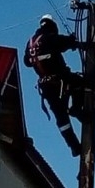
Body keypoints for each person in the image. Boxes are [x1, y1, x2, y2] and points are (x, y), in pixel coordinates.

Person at [24, 15, 84, 156]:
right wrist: (72, 40)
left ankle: (74, 147)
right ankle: (76, 108)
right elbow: (63, 42)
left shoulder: (31, 43)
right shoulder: (48, 38)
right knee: (83, 83)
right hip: (60, 80)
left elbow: (26, 61)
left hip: (46, 86)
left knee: (61, 119)